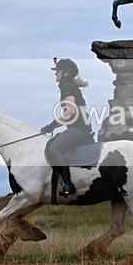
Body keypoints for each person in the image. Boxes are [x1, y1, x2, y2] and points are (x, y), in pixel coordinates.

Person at [40, 58, 92, 197]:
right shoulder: (69, 85)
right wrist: (52, 126)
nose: (55, 73)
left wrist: (52, 124)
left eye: (58, 71)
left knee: (54, 148)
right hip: (79, 127)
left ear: (66, 73)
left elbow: (70, 112)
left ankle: (68, 185)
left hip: (79, 129)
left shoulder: (67, 87)